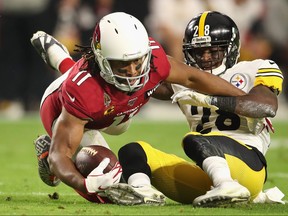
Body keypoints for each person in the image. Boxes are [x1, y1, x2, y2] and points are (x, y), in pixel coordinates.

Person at [30, 12, 245, 204]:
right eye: (121, 65)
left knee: (123, 121)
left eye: (137, 61)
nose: (133, 71)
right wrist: (86, 184)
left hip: (117, 116)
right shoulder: (83, 90)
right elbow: (60, 156)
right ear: (102, 60)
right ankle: (46, 155)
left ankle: (63, 61)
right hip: (70, 114)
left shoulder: (153, 58)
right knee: (109, 184)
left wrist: (244, 99)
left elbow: (192, 77)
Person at [102, 11, 285, 207]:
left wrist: (210, 100)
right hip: (206, 173)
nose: (205, 58)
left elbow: (266, 106)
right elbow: (141, 82)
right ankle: (142, 191)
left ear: (230, 49)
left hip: (248, 166)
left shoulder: (257, 68)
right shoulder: (185, 79)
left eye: (213, 51)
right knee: (134, 150)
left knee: (194, 140)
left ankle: (229, 186)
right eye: (199, 52)